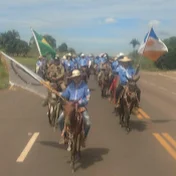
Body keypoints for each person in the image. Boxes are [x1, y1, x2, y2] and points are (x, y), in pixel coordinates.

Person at [58, 69, 91, 148]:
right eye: (74, 77)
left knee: (88, 123)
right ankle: (64, 135)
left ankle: (84, 138)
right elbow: (66, 95)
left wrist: (80, 102)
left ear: (80, 77)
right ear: (72, 78)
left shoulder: (85, 86)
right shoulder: (70, 86)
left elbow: (87, 98)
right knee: (60, 119)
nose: (76, 79)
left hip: (80, 107)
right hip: (70, 107)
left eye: (77, 77)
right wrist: (60, 94)